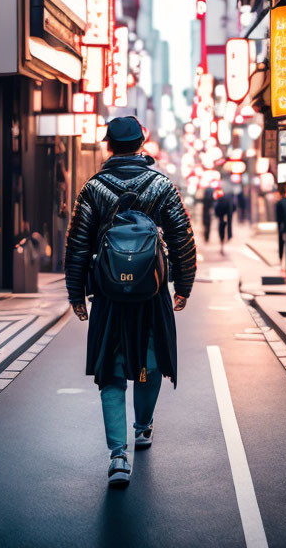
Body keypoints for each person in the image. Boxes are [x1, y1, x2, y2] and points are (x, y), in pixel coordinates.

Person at [65, 116, 197, 487]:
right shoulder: (161, 185)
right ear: (144, 143)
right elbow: (182, 238)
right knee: (150, 363)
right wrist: (183, 285)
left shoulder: (93, 188)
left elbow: (77, 245)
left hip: (108, 297)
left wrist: (77, 294)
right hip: (152, 295)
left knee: (111, 370)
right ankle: (143, 427)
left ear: (108, 146)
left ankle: (118, 457)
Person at [214, 189, 235, 255]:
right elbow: (234, 207)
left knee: (222, 231)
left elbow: (216, 209)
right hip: (227, 218)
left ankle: (222, 243)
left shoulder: (219, 200)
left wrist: (218, 215)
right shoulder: (229, 200)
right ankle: (226, 241)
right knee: (227, 230)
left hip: (221, 219)